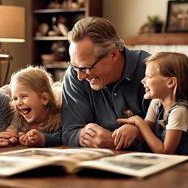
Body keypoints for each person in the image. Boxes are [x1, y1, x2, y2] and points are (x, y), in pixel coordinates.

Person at [61, 16, 151, 149]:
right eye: (74, 66)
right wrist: (83, 136)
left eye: (87, 68)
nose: (79, 76)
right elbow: (69, 131)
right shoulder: (75, 74)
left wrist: (136, 135)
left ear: (113, 54)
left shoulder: (151, 71)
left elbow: (171, 135)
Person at [6, 66, 62, 147]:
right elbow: (12, 129)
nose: (18, 102)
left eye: (24, 96)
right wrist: (14, 136)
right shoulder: (18, 118)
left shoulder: (57, 120)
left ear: (44, 99)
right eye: (15, 98)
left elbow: (62, 138)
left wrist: (42, 139)